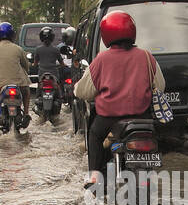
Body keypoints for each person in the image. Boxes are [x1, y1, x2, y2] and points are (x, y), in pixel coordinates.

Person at [74, 10, 165, 187]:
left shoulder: (101, 59)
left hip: (108, 118)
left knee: (94, 136)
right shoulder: (147, 57)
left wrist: (78, 88)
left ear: (106, 34)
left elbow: (84, 92)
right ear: (132, 31)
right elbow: (160, 86)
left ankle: (94, 177)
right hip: (142, 117)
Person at [0, 21, 30, 127]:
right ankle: (27, 113)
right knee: (27, 91)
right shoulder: (18, 49)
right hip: (19, 84)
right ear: (12, 35)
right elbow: (26, 65)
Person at [32, 26, 63, 92]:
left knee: (39, 87)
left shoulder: (38, 49)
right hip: (54, 72)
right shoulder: (56, 49)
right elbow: (61, 63)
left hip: (41, 73)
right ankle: (61, 97)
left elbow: (35, 63)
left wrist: (33, 65)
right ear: (52, 37)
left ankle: (38, 96)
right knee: (58, 86)